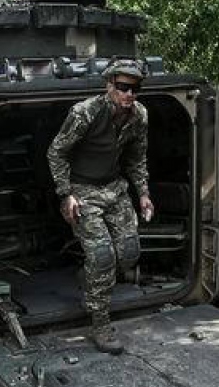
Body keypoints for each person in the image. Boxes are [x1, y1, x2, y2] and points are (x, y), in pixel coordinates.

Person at [47, 58, 154, 354]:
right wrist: (65, 194)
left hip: (114, 189)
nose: (129, 94)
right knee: (103, 256)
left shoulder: (139, 115)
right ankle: (100, 324)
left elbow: (136, 158)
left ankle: (89, 278)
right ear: (109, 85)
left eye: (134, 89)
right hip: (82, 191)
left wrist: (143, 193)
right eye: (123, 87)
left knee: (129, 253)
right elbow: (56, 152)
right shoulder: (85, 113)